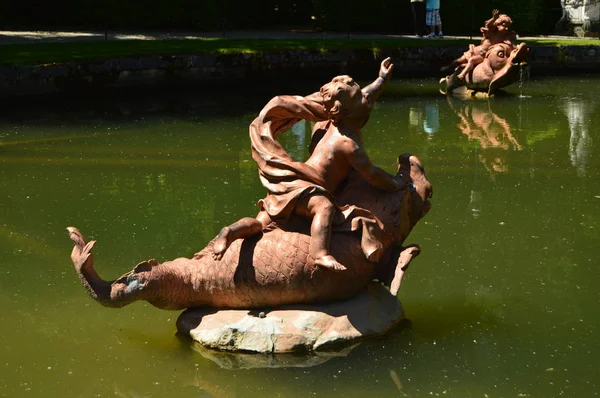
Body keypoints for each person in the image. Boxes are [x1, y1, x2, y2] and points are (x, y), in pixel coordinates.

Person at [210, 58, 405, 272]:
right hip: (308, 186)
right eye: (359, 97)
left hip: (291, 183)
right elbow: (372, 174)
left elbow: (367, 96)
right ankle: (320, 253)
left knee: (261, 223)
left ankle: (230, 231)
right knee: (325, 207)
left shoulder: (331, 121)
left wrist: (382, 79)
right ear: (346, 111)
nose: (366, 98)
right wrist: (395, 183)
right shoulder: (347, 143)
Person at [441, 10, 517, 79]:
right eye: (504, 25)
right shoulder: (492, 32)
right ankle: (448, 69)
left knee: (471, 60)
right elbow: (488, 25)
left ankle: (462, 75)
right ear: (498, 24)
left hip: (482, 55)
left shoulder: (505, 37)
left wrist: (517, 49)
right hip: (475, 50)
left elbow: (511, 46)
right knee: (459, 60)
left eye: (508, 26)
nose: (506, 28)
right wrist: (494, 18)